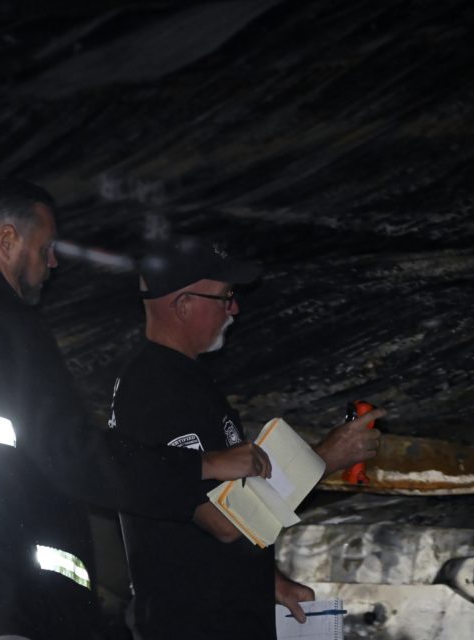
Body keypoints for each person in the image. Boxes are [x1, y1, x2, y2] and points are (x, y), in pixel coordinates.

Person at [0, 180, 273, 640]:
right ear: (7, 239)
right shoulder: (7, 323)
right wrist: (202, 465)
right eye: (46, 247)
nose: (52, 263)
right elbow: (75, 454)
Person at [108, 236, 384, 640]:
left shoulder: (182, 380)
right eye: (225, 296)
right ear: (184, 305)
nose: (234, 308)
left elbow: (210, 514)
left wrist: (270, 582)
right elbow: (221, 519)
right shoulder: (158, 389)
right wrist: (325, 458)